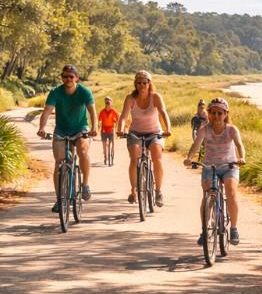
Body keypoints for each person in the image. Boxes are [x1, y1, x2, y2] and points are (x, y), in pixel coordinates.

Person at [183, 98, 246, 245]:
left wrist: (242, 158)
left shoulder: (231, 129)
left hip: (229, 166)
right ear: (209, 114)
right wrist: (189, 158)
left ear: (225, 114)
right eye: (213, 113)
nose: (216, 116)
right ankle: (205, 230)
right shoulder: (204, 129)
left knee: (231, 191)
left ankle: (234, 229)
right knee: (208, 195)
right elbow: (196, 145)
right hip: (209, 167)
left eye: (220, 113)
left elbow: (239, 145)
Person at [36, 63, 96, 211]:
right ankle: (59, 199)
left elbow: (92, 111)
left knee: (83, 151)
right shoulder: (55, 92)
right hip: (61, 130)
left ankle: (85, 185)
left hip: (80, 128)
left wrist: (94, 128)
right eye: (64, 76)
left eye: (70, 76)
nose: (67, 79)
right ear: (62, 78)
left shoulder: (84, 92)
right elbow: (46, 112)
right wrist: (42, 128)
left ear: (77, 78)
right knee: (59, 161)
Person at [117, 70, 172, 206]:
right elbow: (123, 116)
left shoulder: (155, 97)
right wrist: (120, 129)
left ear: (149, 84)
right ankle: (133, 190)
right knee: (134, 158)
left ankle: (158, 191)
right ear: (135, 84)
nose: (141, 86)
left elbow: (163, 113)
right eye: (139, 83)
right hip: (135, 133)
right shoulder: (130, 98)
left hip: (154, 132)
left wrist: (168, 129)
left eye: (144, 83)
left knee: (157, 158)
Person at [98, 96, 119, 165]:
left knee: (113, 142)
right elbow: (99, 120)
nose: (107, 103)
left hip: (111, 129)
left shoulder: (114, 111)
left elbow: (118, 119)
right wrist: (99, 127)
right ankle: (105, 156)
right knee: (104, 144)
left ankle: (112, 152)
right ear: (105, 103)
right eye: (106, 102)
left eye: (109, 102)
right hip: (104, 129)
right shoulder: (102, 111)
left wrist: (117, 127)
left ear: (111, 103)